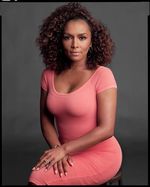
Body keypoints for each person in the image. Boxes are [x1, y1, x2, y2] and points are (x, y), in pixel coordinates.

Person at [28, 2, 122, 185]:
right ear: (59, 40)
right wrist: (58, 150)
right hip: (65, 151)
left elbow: (107, 129)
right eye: (67, 37)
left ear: (92, 41)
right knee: (41, 175)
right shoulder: (48, 74)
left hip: (102, 154)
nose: (74, 45)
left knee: (38, 178)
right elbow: (46, 119)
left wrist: (64, 149)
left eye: (82, 37)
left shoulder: (103, 75)